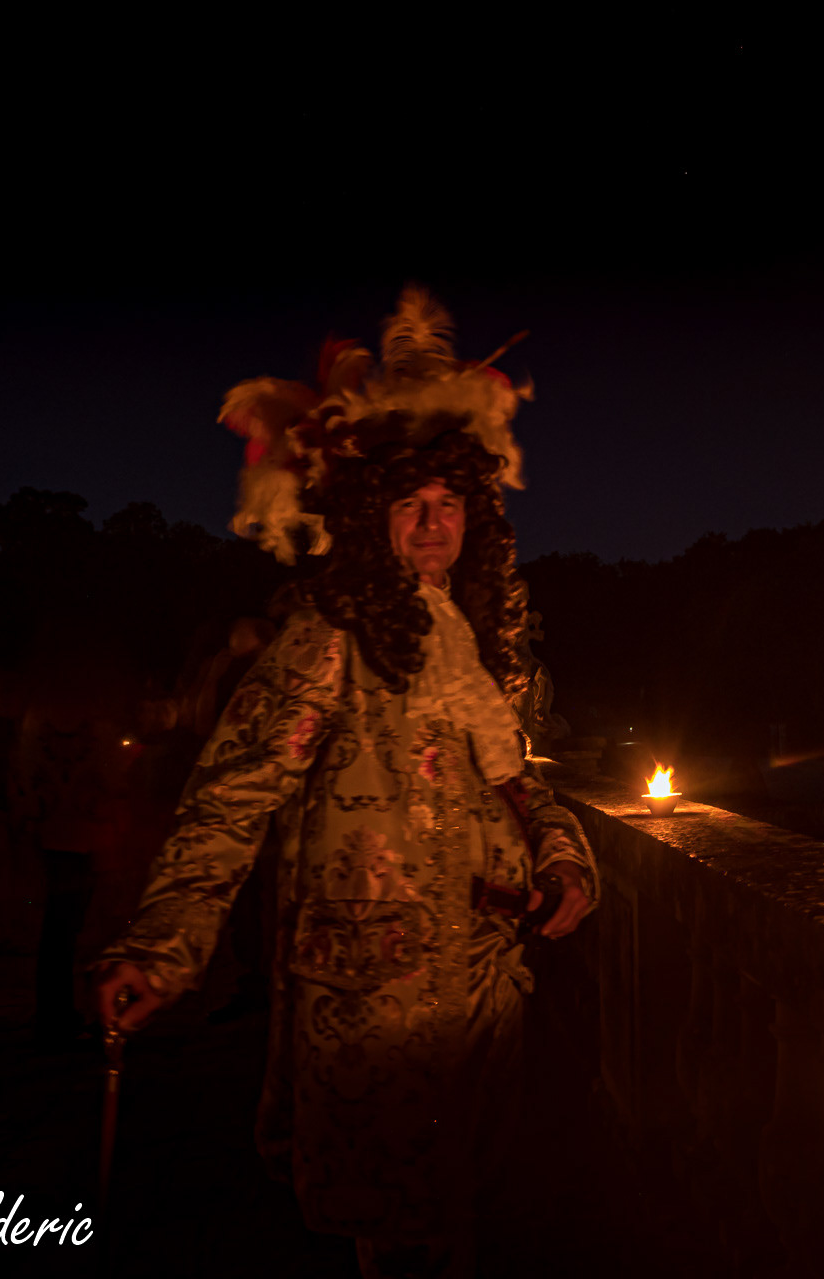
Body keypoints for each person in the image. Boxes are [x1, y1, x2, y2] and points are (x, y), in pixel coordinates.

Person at [92, 287, 595, 1278]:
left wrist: (567, 858)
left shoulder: (494, 653)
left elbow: (524, 784)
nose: (432, 526)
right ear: (373, 517)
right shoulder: (328, 637)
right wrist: (163, 944)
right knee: (395, 1221)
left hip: (488, 987)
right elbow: (231, 795)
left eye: (450, 505)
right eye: (409, 505)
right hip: (376, 989)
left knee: (463, 1211)